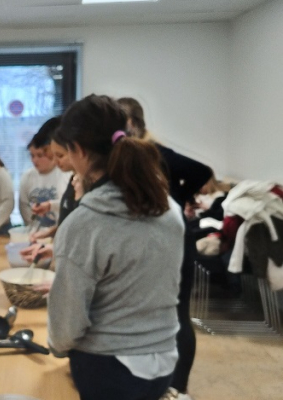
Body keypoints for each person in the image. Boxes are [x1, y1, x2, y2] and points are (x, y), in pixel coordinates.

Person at [47, 94, 185, 400]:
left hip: (109, 369)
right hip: (164, 362)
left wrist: (56, 347)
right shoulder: (168, 209)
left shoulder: (85, 223)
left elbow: (66, 326)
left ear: (78, 150)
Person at [118, 97, 212, 400]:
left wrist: (180, 195)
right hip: (154, 240)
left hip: (176, 239)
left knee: (179, 314)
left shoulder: (155, 152)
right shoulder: (128, 156)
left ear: (133, 123)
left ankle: (179, 388)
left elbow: (202, 170)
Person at [19, 117, 69, 229]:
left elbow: (70, 207)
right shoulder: (27, 176)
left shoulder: (66, 174)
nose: (35, 160)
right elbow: (24, 206)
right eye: (32, 155)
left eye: (41, 155)